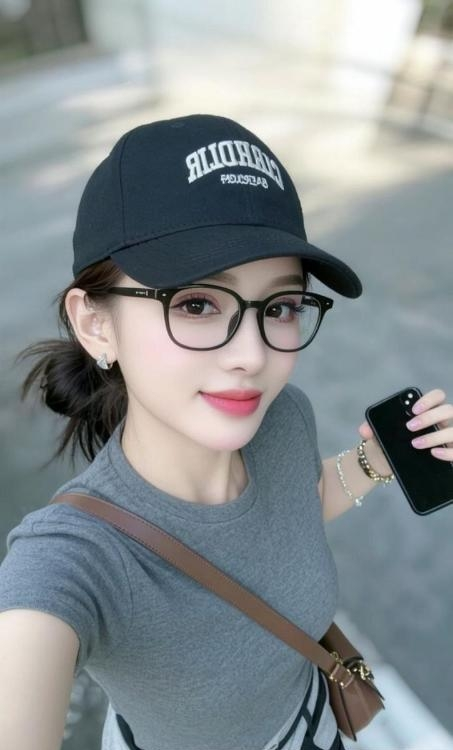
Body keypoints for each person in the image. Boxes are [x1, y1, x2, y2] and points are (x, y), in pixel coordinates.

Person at [0, 114, 451, 750]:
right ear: (96, 324)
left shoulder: (283, 417)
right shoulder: (74, 558)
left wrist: (376, 461)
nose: (252, 355)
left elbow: (291, 507)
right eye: (195, 304)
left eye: (281, 306)